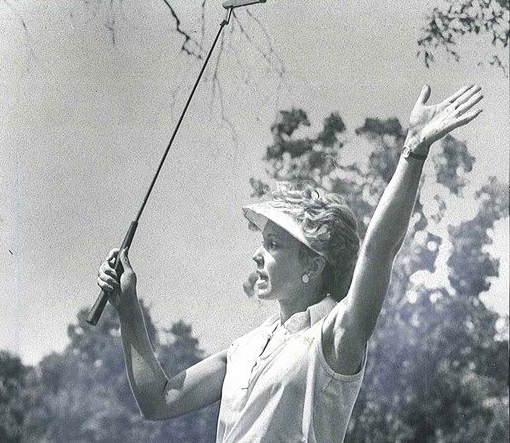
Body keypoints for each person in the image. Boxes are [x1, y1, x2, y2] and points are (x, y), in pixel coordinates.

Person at [97, 85, 483, 443]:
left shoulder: (335, 336)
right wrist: (128, 307)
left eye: (273, 243)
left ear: (312, 267)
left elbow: (378, 251)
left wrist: (413, 151)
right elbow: (159, 400)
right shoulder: (245, 347)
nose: (256, 254)